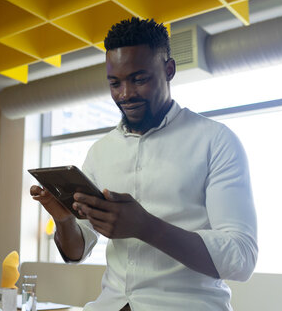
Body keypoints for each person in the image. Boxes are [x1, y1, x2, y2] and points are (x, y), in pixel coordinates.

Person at [30, 17, 258, 311]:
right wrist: (63, 221)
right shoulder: (101, 151)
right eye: (115, 83)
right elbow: (78, 250)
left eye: (139, 79)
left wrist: (146, 227)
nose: (125, 94)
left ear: (169, 70)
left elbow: (241, 258)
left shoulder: (216, 141)